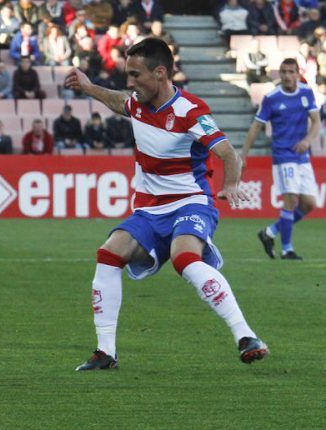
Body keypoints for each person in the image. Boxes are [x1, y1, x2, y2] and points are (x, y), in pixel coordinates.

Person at [65, 37, 268, 370]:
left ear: (160, 73)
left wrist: (230, 185)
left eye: (136, 75)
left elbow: (228, 153)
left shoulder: (190, 111)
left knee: (184, 257)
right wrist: (89, 88)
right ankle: (106, 353)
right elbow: (120, 102)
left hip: (190, 203)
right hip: (148, 209)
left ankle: (246, 336)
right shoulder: (137, 103)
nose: (130, 83)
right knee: (109, 254)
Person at [241, 58, 320, 261]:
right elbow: (256, 126)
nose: (286, 76)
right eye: (283, 71)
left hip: (302, 156)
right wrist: (243, 155)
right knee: (291, 200)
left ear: (297, 73)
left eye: (290, 72)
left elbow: (316, 121)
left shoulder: (306, 92)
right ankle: (287, 250)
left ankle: (269, 232)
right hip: (283, 156)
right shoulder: (272, 98)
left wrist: (308, 140)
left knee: (310, 204)